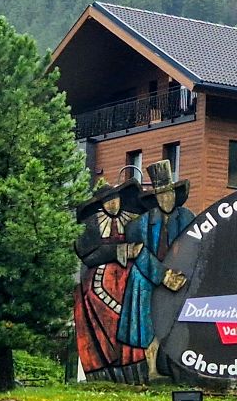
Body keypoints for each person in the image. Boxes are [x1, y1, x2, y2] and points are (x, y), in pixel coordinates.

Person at [117, 159, 193, 380]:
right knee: (147, 318)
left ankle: (177, 366)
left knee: (177, 321)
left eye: (169, 194)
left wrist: (178, 275)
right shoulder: (140, 224)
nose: (166, 199)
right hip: (148, 277)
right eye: (162, 195)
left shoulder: (187, 217)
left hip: (178, 278)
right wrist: (162, 276)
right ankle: (150, 369)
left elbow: (194, 248)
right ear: (155, 198)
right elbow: (139, 253)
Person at [72, 178, 144, 381]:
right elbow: (88, 253)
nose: (113, 204)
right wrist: (119, 251)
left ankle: (133, 366)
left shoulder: (134, 218)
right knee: (103, 313)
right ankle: (105, 364)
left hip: (128, 277)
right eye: (108, 200)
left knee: (132, 316)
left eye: (116, 199)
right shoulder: (91, 223)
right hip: (100, 279)